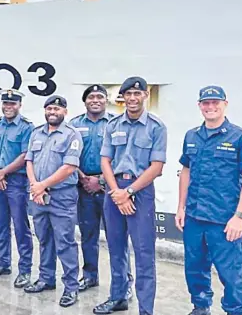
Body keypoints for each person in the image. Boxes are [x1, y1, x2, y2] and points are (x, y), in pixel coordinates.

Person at [176, 86, 242, 315]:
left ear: (225, 104)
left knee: (230, 274)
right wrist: (180, 207)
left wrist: (240, 216)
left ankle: (235, 311)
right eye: (206, 103)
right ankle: (201, 307)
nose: (210, 107)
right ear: (199, 106)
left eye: (215, 102)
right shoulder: (191, 136)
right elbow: (186, 171)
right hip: (194, 217)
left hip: (225, 221)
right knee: (194, 269)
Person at [93, 76, 167, 315]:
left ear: (145, 95)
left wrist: (128, 192)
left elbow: (157, 166)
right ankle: (118, 297)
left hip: (140, 192)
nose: (133, 98)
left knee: (144, 252)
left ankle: (146, 310)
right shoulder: (113, 125)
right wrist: (116, 192)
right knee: (115, 248)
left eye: (138, 94)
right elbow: (105, 160)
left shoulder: (156, 127)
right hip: (114, 191)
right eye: (128, 94)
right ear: (122, 97)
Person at [69, 85, 134, 300]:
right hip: (84, 185)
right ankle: (89, 276)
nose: (95, 100)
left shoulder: (117, 123)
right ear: (85, 101)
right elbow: (67, 155)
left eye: (99, 96)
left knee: (118, 238)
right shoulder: (75, 125)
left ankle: (126, 282)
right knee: (88, 235)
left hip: (111, 189)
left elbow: (123, 156)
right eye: (91, 97)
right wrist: (83, 178)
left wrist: (101, 180)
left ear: (106, 100)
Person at [24, 95, 82, 308]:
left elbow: (69, 167)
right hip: (39, 196)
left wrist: (42, 185)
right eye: (49, 108)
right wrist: (35, 186)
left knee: (65, 241)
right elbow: (29, 160)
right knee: (44, 238)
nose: (52, 111)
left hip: (61, 196)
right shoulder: (36, 133)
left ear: (65, 112)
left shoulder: (72, 135)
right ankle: (46, 278)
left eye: (57, 108)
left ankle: (71, 287)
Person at [0, 89, 34, 289]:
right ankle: (3, 263)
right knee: (0, 224)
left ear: (19, 105)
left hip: (16, 183)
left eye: (12, 104)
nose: (8, 107)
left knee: (21, 227)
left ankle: (25, 269)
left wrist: (2, 172)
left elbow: (25, 155)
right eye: (5, 103)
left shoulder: (26, 127)